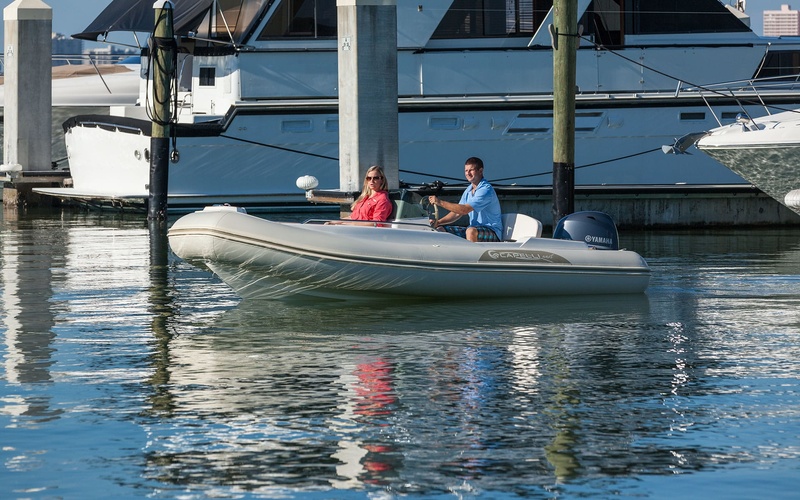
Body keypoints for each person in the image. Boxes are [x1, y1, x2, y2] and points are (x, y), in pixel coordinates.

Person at [428, 157, 503, 242]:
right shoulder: (468, 190)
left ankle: (472, 255)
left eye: (471, 170)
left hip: (492, 232)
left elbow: (464, 210)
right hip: (473, 229)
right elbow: (457, 213)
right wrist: (438, 222)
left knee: (470, 231)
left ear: (480, 171)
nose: (468, 173)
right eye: (466, 171)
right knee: (440, 229)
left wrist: (440, 202)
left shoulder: (485, 190)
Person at [328, 165, 393, 225]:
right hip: (354, 229)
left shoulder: (382, 200)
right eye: (369, 178)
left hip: (366, 233)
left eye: (375, 178)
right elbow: (353, 217)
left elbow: (378, 222)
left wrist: (353, 225)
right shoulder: (364, 197)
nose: (372, 181)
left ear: (382, 180)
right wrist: (334, 222)